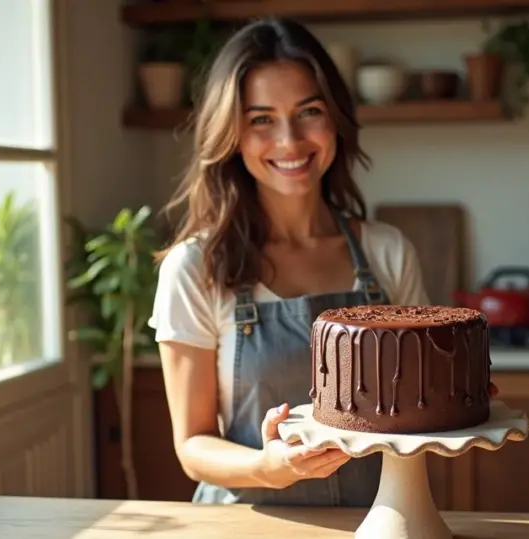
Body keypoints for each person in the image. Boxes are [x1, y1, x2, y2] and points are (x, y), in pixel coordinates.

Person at [149, 17, 498, 507]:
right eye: (261, 119)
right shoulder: (195, 268)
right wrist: (267, 468)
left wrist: (454, 395)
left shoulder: (387, 252)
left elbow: (418, 401)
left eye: (309, 111)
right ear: (231, 134)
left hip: (376, 519)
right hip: (246, 524)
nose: (290, 140)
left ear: (336, 117)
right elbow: (192, 446)